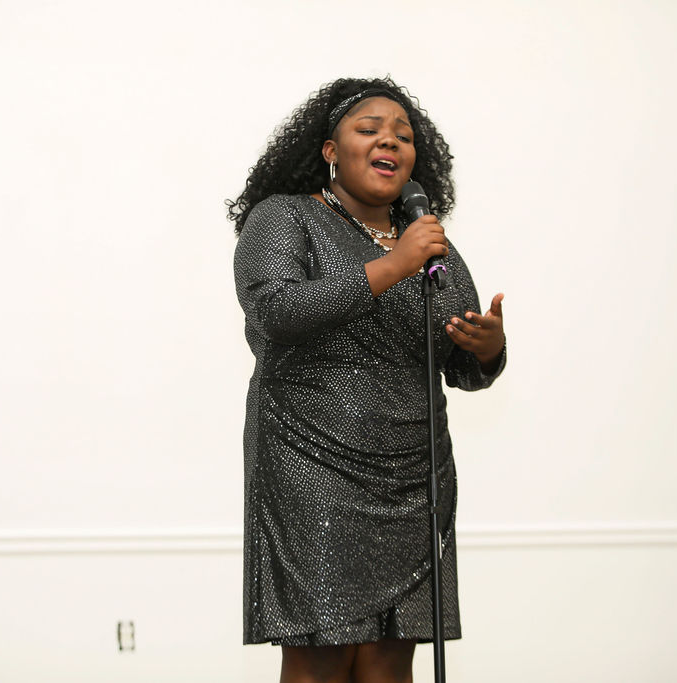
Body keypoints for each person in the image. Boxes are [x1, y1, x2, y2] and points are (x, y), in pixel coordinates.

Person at [228, 76, 506, 683]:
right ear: (331, 150)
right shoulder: (284, 217)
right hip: (313, 463)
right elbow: (278, 312)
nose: (390, 141)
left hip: (413, 473)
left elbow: (460, 366)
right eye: (370, 129)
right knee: (322, 655)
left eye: (403, 135)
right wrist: (393, 264)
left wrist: (488, 350)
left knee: (390, 659)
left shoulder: (428, 240)